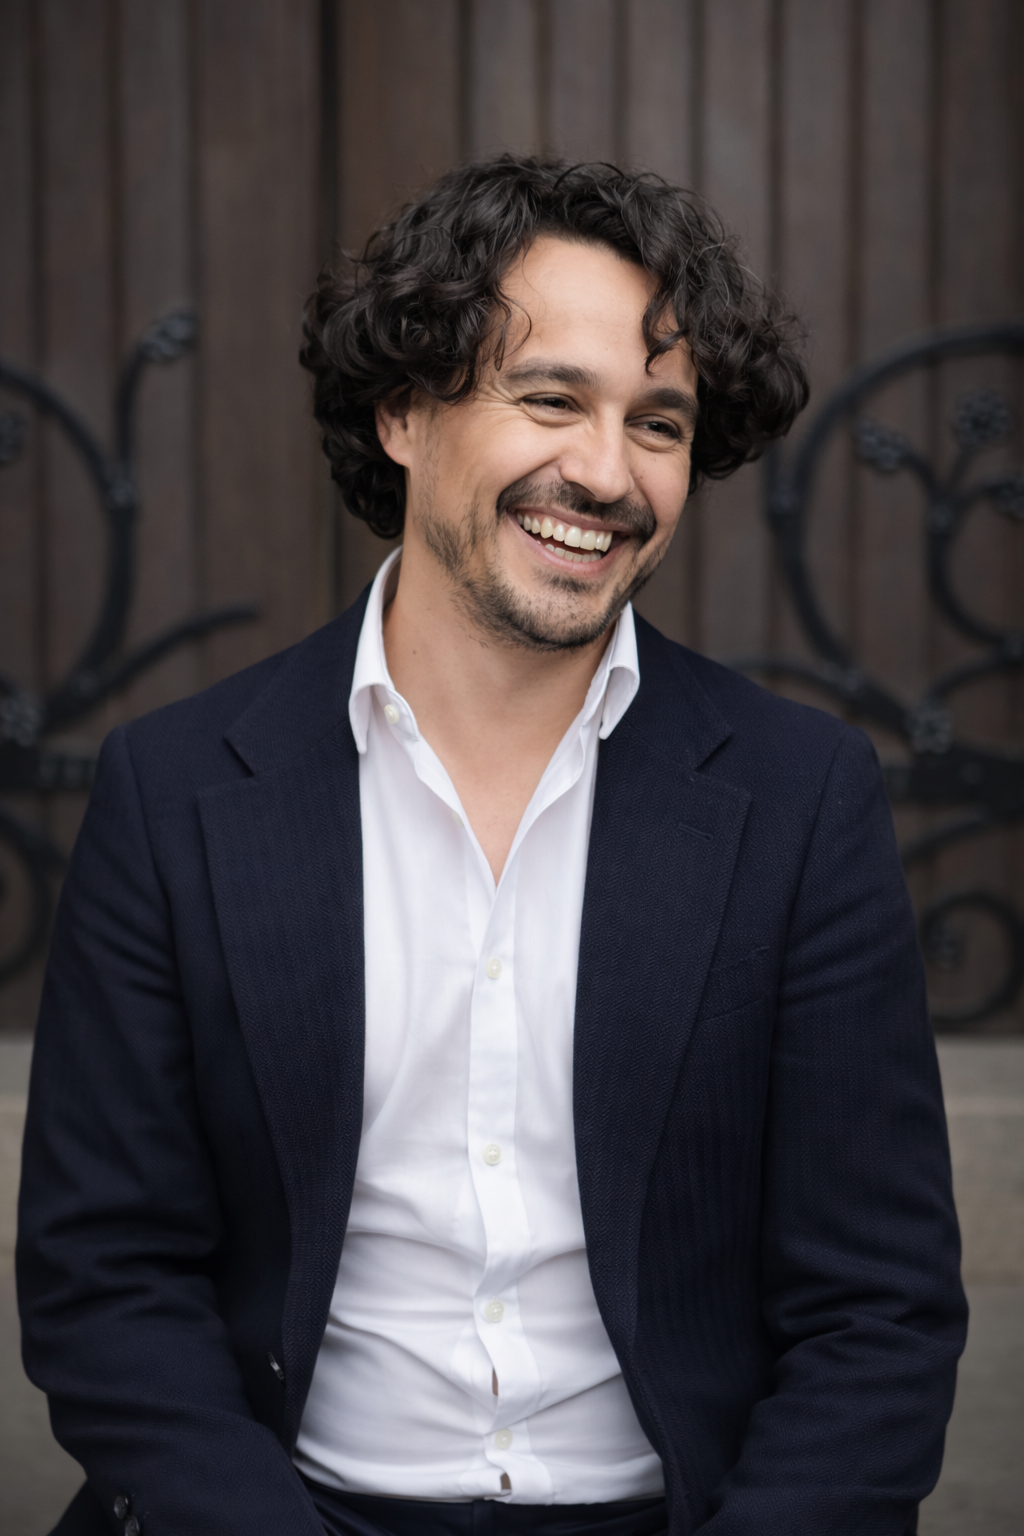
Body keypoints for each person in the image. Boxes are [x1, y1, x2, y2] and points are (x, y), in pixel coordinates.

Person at [18, 156, 966, 1536]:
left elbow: (875, 1313)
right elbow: (106, 1279)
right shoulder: (172, 789)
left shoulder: (803, 796)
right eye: (549, 398)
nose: (605, 471)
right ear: (404, 410)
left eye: (660, 422)